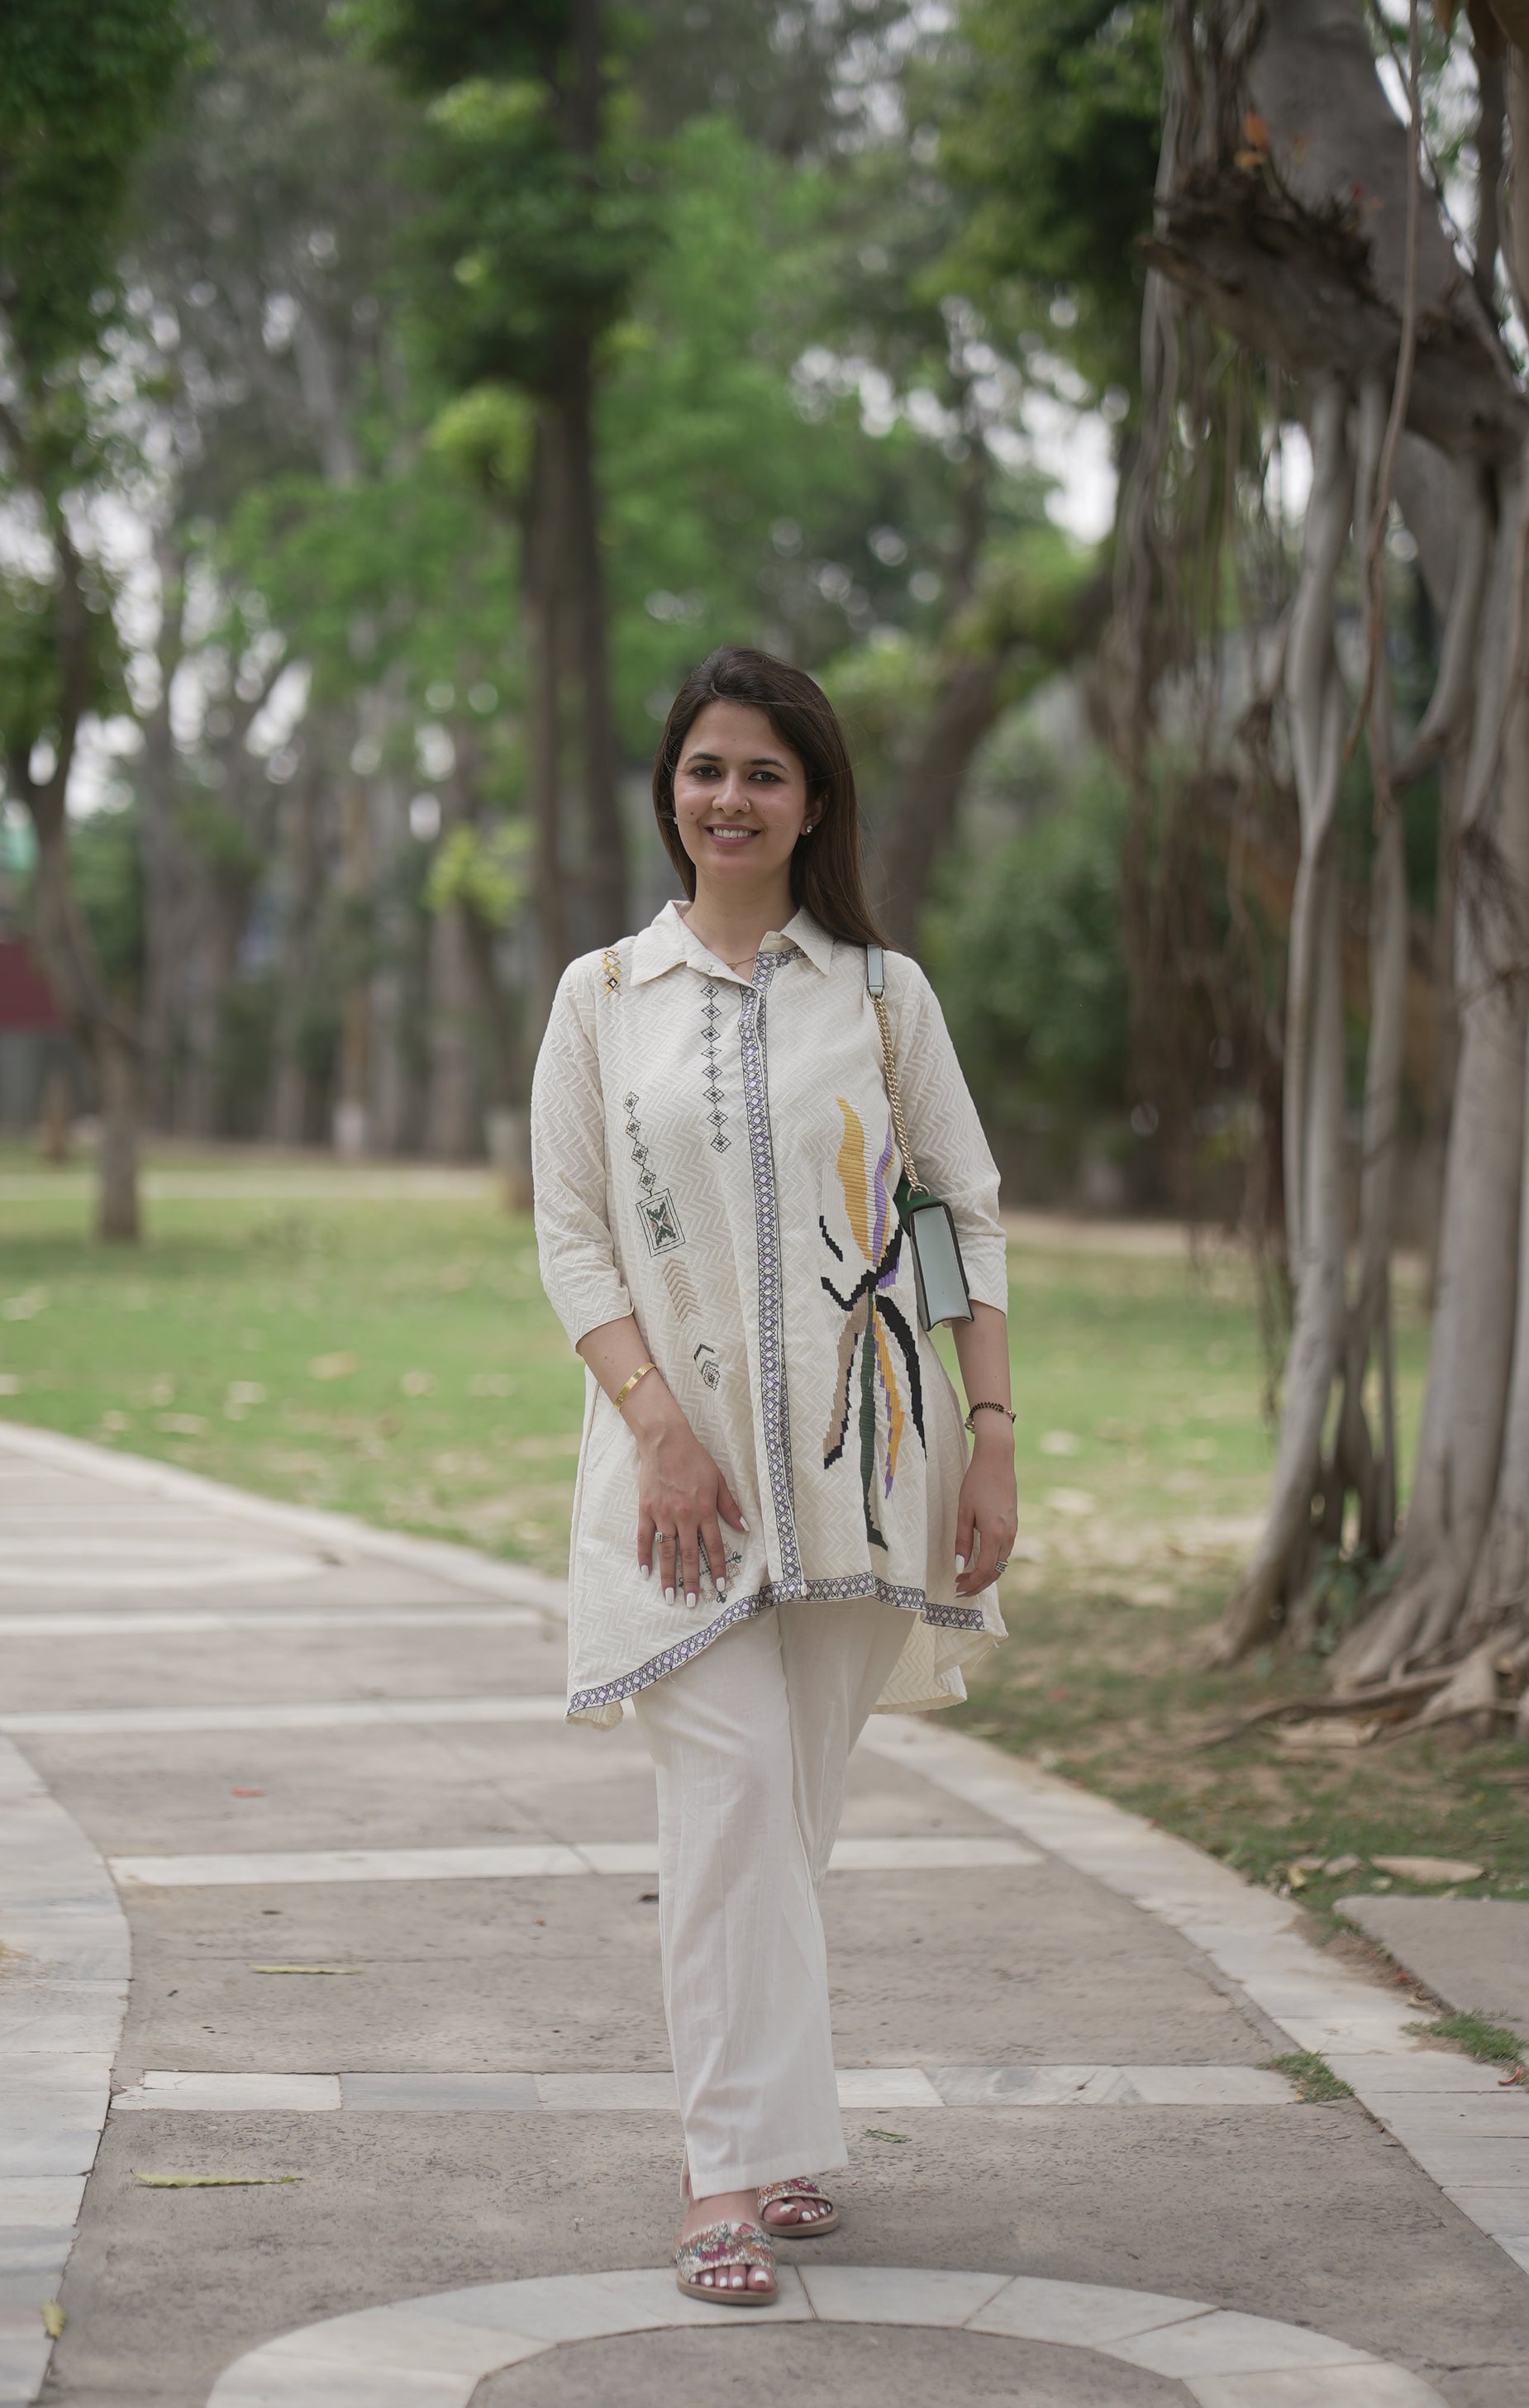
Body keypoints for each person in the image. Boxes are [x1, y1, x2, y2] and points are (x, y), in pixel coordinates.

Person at [531, 645, 1016, 2304]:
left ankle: (782, 2134)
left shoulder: (880, 993)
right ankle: (723, 2173)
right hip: (677, 1486)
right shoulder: (604, 996)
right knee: (728, 1789)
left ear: (813, 802)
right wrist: (659, 1426)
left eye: (762, 772)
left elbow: (956, 1209)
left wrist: (995, 1426)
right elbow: (573, 1237)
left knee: (783, 1820)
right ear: (669, 788)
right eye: (703, 768)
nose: (726, 798)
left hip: (869, 1471)